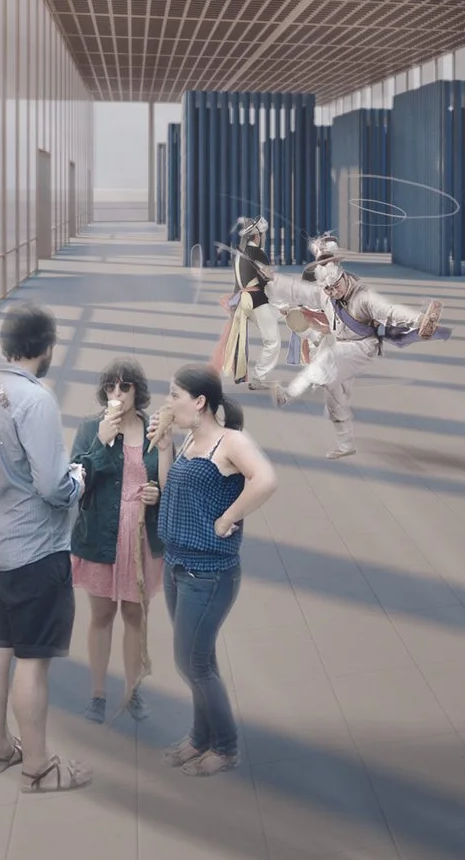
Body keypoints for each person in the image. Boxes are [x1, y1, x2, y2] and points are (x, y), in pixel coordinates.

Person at [0, 302, 90, 793]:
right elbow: (53, 486)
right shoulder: (35, 401)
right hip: (33, 548)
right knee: (32, 661)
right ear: (47, 348)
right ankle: (38, 766)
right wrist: (79, 477)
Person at [152, 363, 280, 776]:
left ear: (200, 401)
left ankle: (224, 747)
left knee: (192, 663)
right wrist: (166, 447)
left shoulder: (230, 441)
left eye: (174, 395)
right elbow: (170, 487)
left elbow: (266, 479)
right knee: (198, 661)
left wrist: (228, 519)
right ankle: (200, 737)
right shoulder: (191, 438)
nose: (168, 401)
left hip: (209, 572)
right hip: (177, 564)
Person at [264, 261, 444, 458]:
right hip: (342, 346)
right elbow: (299, 290)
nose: (332, 291)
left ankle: (287, 394)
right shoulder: (326, 294)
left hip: (362, 347)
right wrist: (273, 278)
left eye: (335, 286)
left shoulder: (364, 297)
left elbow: (390, 312)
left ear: (344, 277)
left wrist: (420, 320)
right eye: (328, 289)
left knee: (325, 360)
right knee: (334, 398)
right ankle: (345, 445)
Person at [70, 359, 163, 724]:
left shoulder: (153, 429)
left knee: (135, 615)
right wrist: (101, 442)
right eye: (110, 388)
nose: (117, 395)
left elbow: (165, 479)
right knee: (102, 614)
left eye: (124, 387)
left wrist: (157, 494)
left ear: (138, 390)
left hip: (140, 536)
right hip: (100, 534)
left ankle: (133, 689)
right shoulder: (90, 428)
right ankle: (97, 692)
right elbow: (76, 482)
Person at [215, 217, 283, 388]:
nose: (264, 238)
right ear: (257, 236)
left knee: (273, 324)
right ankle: (258, 378)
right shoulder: (259, 254)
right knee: (273, 340)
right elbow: (267, 283)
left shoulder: (239, 255)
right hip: (257, 301)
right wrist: (282, 304)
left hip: (243, 301)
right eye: (263, 234)